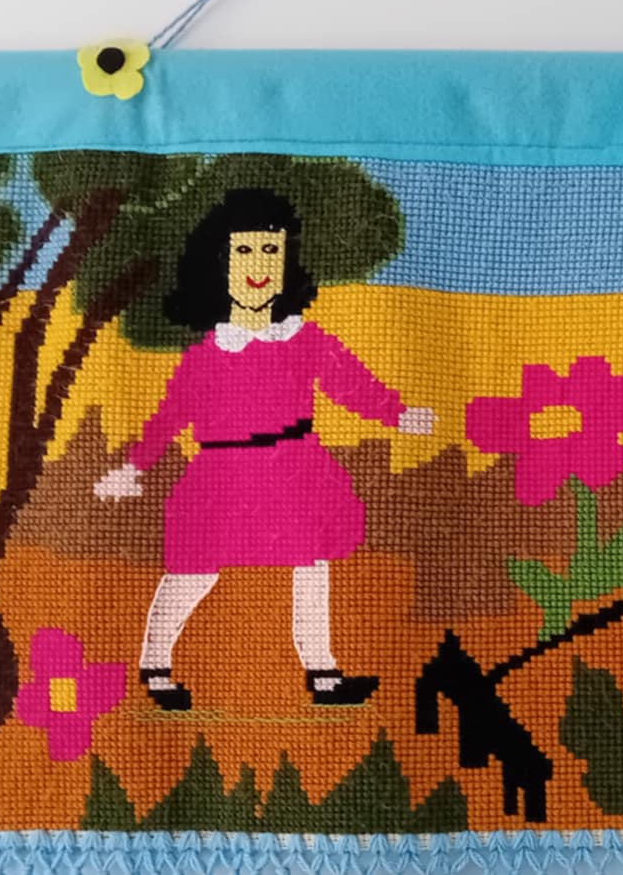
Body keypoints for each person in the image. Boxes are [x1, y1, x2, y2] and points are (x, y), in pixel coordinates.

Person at [95, 188, 435, 710]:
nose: (258, 265)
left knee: (311, 564)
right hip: (220, 475)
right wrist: (134, 466)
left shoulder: (305, 339)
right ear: (219, 264)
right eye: (244, 251)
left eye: (270, 250)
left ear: (287, 263)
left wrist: (398, 413)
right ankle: (155, 666)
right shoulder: (206, 354)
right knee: (192, 569)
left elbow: (351, 383)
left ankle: (323, 674)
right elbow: (169, 416)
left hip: (294, 470)